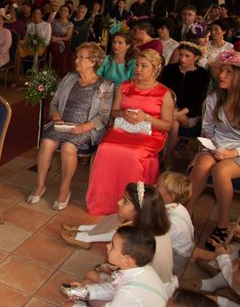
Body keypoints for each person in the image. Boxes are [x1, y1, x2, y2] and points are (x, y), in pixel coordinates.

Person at [86, 49, 174, 215]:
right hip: (122, 130)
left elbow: (167, 125)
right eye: (137, 65)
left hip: (150, 135)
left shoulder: (164, 93)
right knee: (105, 149)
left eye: (144, 66)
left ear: (155, 69)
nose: (138, 69)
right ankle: (103, 203)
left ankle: (134, 207)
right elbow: (114, 111)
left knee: (134, 155)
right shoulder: (125, 86)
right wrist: (123, 114)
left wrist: (146, 117)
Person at [28, 43, 113, 211]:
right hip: (62, 125)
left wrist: (84, 127)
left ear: (93, 61)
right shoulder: (69, 78)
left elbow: (103, 116)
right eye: (77, 56)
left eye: (82, 57)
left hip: (86, 128)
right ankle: (40, 185)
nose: (77, 60)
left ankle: (64, 190)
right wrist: (55, 116)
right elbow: (54, 103)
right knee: (46, 143)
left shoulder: (105, 85)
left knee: (68, 147)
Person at [187, 51, 240, 250]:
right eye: (221, 71)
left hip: (238, 151)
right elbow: (207, 128)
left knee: (221, 171)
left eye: (228, 72)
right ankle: (185, 215)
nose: (221, 76)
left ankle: (222, 226)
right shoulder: (214, 97)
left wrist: (231, 153)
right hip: (217, 145)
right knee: (201, 166)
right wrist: (214, 146)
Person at [62, 226, 168, 307]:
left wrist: (78, 304)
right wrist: (86, 292)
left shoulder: (128, 292)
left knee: (69, 305)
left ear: (127, 260)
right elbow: (114, 288)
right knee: (86, 286)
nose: (107, 246)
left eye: (112, 246)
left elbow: (120, 292)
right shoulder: (142, 269)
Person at [160, 42, 210, 167]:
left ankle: (165, 157)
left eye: (187, 56)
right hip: (167, 109)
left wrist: (179, 113)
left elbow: (198, 101)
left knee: (175, 120)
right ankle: (168, 158)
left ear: (196, 57)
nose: (182, 59)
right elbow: (161, 91)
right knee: (174, 124)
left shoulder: (202, 75)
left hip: (189, 114)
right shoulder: (170, 70)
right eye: (181, 55)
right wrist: (171, 111)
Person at [157, 171, 195, 275]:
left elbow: (156, 241)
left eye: (158, 186)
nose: (154, 187)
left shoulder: (172, 223)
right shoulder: (179, 207)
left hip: (174, 260)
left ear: (170, 197)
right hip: (173, 249)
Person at [48, 5, 73, 77]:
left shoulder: (70, 24)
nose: (63, 12)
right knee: (53, 46)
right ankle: (51, 69)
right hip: (53, 40)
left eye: (65, 11)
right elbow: (50, 32)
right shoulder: (54, 21)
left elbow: (68, 37)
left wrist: (58, 39)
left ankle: (58, 70)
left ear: (68, 13)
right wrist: (53, 38)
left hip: (64, 41)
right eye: (61, 10)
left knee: (57, 48)